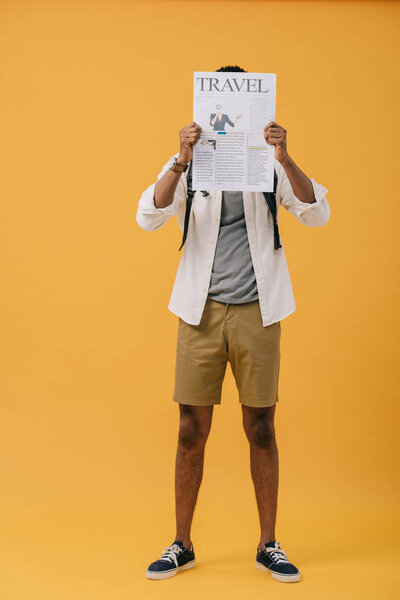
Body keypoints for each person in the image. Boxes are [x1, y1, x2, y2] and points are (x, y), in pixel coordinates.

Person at [136, 65, 330, 583]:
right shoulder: (191, 161)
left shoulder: (269, 162)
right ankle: (182, 543)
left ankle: (269, 543)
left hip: (258, 312)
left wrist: (285, 158)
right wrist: (180, 160)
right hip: (198, 314)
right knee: (189, 429)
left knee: (261, 428)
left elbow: (316, 212)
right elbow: (149, 214)